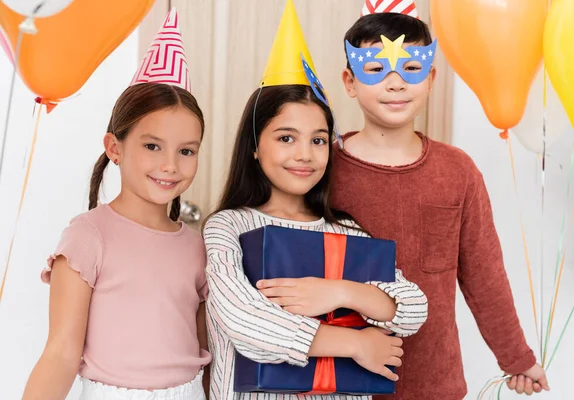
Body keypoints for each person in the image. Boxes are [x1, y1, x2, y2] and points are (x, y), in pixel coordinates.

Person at [203, 1, 427, 399]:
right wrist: (357, 343)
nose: (305, 154)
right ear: (255, 145)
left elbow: (412, 308)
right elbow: (244, 320)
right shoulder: (230, 227)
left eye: (318, 140)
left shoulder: (345, 230)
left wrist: (340, 292)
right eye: (286, 137)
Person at [330, 2, 550, 399]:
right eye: (375, 69)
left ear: (431, 78)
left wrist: (517, 358)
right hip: (338, 382)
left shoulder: (458, 171)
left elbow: (485, 275)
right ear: (350, 81)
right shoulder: (321, 167)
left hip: (435, 384)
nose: (395, 83)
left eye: (411, 69)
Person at [22, 9, 211, 400]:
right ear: (115, 148)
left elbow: (203, 346)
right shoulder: (88, 237)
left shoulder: (196, 246)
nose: (170, 165)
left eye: (186, 150)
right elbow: (60, 353)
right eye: (152, 146)